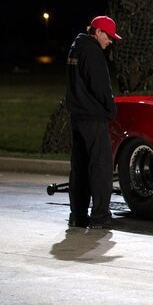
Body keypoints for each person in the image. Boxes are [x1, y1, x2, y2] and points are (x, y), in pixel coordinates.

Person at [65, 15, 122, 229]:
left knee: (79, 167)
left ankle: (77, 216)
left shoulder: (75, 47)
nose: (110, 41)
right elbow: (101, 87)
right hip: (93, 117)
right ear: (98, 32)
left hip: (77, 116)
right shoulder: (92, 50)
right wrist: (111, 109)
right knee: (101, 167)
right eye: (108, 36)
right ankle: (100, 217)